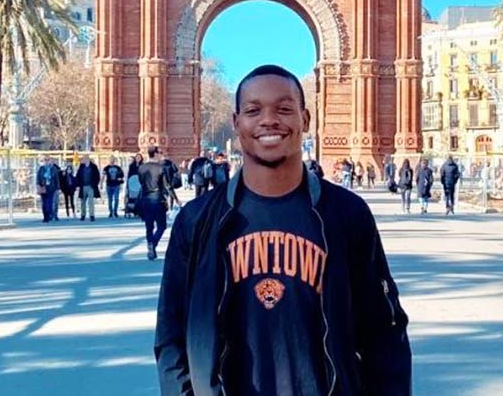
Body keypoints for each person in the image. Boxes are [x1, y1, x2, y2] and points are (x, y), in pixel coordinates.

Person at [155, 65, 411, 395]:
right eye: (253, 110)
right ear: (236, 123)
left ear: (305, 119)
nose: (268, 120)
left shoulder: (348, 214)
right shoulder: (197, 220)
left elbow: (383, 332)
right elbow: (172, 336)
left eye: (284, 109)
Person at [137, 146, 170, 260]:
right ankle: (153, 244)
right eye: (159, 152)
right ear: (155, 154)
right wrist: (175, 198)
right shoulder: (161, 168)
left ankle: (150, 245)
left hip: (145, 199)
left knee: (149, 226)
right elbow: (166, 185)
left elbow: (141, 182)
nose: (160, 154)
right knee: (162, 226)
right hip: (158, 199)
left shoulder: (141, 168)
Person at [75, 155, 102, 222]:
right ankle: (83, 215)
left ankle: (91, 215)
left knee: (91, 202)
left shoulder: (93, 167)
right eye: (83, 159)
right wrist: (78, 185)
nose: (83, 160)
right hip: (83, 186)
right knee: (82, 202)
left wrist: (95, 184)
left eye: (85, 159)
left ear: (88, 160)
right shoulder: (81, 167)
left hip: (91, 186)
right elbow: (78, 176)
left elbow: (97, 176)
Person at [35, 156, 60, 223]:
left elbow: (56, 179)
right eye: (45, 160)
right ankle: (45, 216)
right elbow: (38, 178)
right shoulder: (41, 169)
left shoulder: (53, 169)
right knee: (44, 203)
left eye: (48, 160)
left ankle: (49, 215)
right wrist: (38, 186)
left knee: (49, 202)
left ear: (50, 161)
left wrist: (57, 188)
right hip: (43, 187)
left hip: (51, 188)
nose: (46, 161)